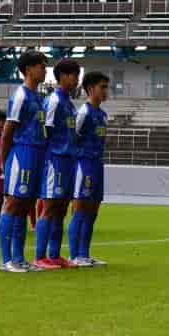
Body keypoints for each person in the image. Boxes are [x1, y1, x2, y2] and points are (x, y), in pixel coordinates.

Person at [0, 51, 49, 272]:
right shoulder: (20, 96)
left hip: (37, 153)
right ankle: (6, 260)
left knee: (26, 205)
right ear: (29, 69)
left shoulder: (39, 97)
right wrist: (6, 162)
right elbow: (7, 132)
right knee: (13, 204)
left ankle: (19, 258)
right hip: (22, 153)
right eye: (41, 66)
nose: (44, 70)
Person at [34, 58, 81, 270]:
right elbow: (46, 131)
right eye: (74, 76)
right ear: (63, 76)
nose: (76, 80)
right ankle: (40, 256)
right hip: (55, 160)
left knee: (61, 209)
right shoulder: (54, 101)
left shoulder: (69, 104)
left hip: (68, 161)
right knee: (50, 206)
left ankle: (54, 255)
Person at [68, 71, 109, 267]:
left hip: (97, 164)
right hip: (84, 164)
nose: (106, 91)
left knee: (93, 210)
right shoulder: (83, 113)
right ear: (90, 89)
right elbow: (72, 138)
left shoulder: (102, 114)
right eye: (102, 87)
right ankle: (74, 255)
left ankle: (84, 254)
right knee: (80, 209)